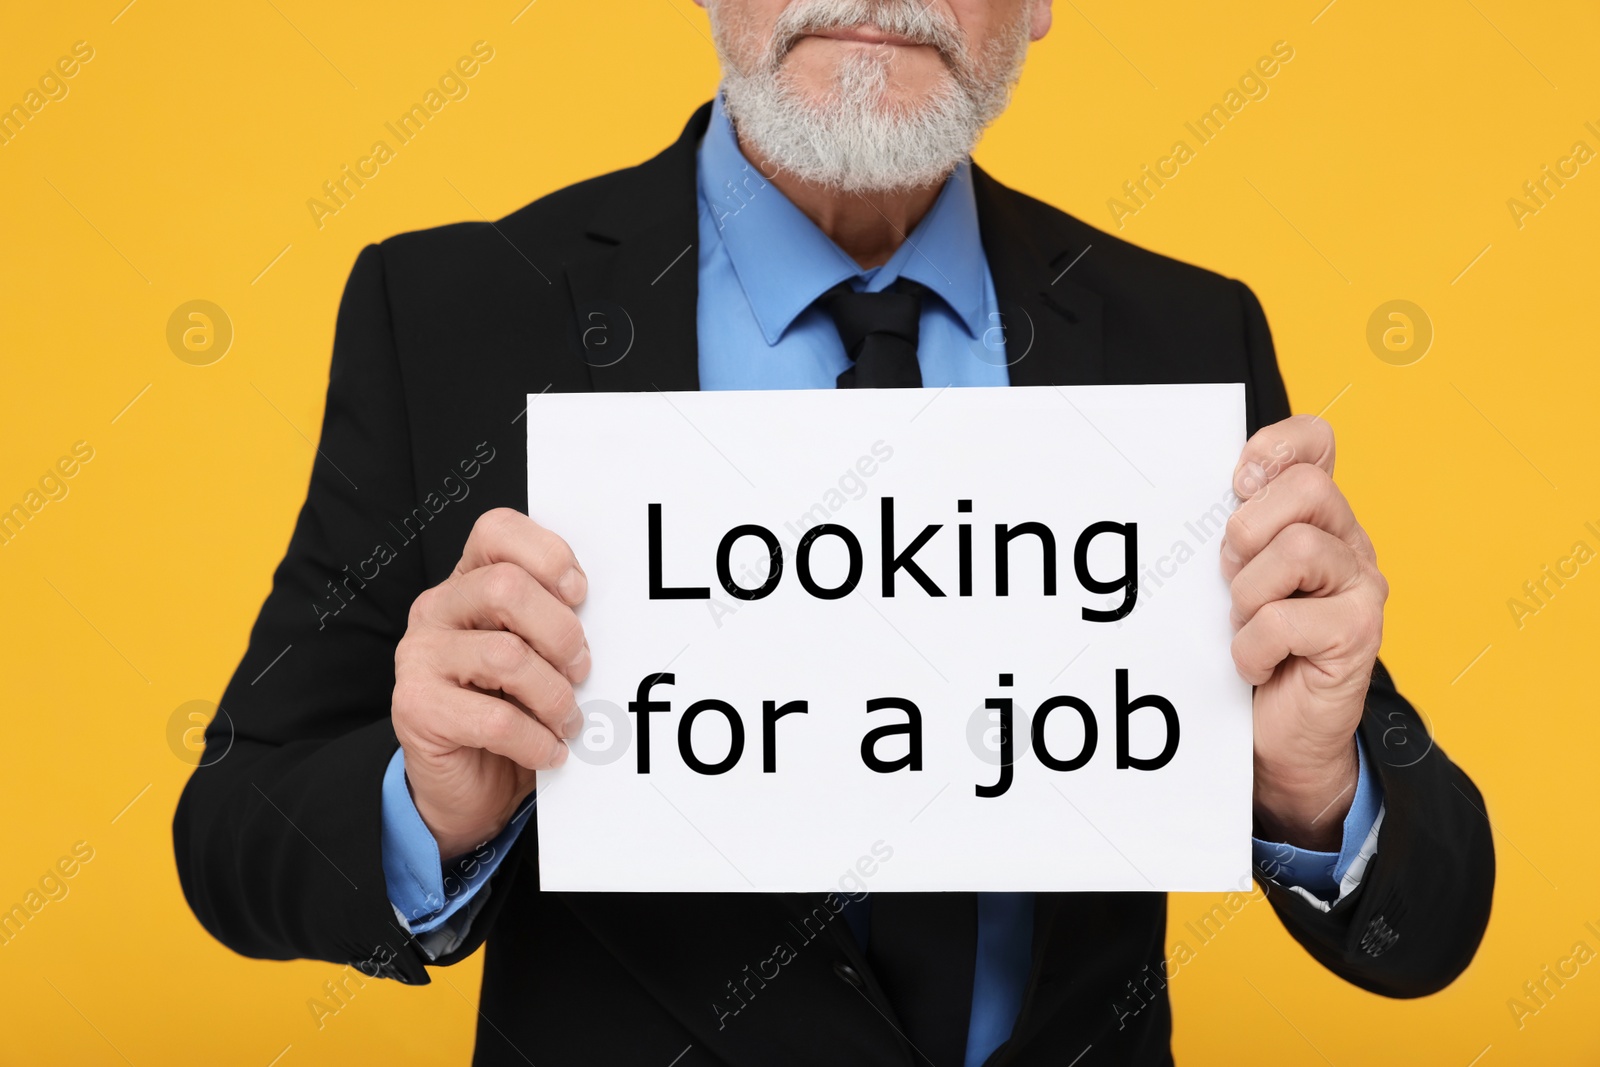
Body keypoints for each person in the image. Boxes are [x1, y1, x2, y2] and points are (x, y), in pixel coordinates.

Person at [173, 1, 1494, 1064]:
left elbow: (1427, 924)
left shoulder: (1180, 338)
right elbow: (232, 829)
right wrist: (432, 805)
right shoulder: (457, 314)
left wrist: (1315, 788)